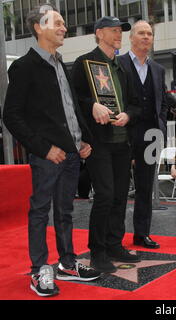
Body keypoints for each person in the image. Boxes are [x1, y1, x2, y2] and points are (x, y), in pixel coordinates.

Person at [3, 5, 101, 297]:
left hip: (71, 154)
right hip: (48, 156)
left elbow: (69, 109)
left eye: (63, 23)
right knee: (40, 211)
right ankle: (38, 269)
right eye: (57, 23)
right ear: (38, 27)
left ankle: (67, 263)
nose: (64, 28)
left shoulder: (61, 64)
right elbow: (11, 116)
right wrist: (44, 149)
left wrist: (81, 139)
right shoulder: (24, 66)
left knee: (66, 211)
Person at [72, 16, 141, 273]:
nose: (119, 34)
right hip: (98, 142)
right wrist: (91, 105)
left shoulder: (122, 68)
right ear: (99, 33)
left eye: (120, 31)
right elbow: (73, 98)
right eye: (113, 30)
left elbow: (135, 104)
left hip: (122, 143)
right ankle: (97, 250)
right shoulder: (83, 63)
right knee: (104, 196)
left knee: (120, 196)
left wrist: (128, 115)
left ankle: (114, 243)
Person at [118, 20, 168, 250]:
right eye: (141, 33)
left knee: (146, 186)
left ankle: (141, 234)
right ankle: (114, 237)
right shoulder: (118, 64)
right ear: (131, 37)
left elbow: (162, 103)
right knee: (118, 186)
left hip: (151, 134)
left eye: (149, 33)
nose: (146, 37)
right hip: (124, 133)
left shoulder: (158, 69)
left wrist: (162, 130)